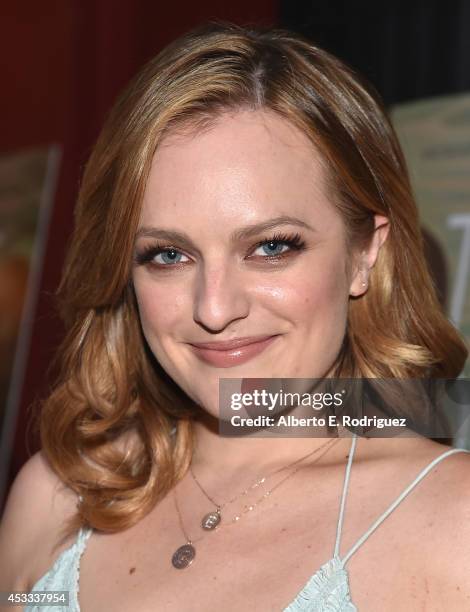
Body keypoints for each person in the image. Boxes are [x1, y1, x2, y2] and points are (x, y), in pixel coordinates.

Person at [1, 21, 470, 612]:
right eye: (168, 255)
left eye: (271, 246)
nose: (215, 309)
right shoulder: (53, 501)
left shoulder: (454, 528)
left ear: (364, 253)